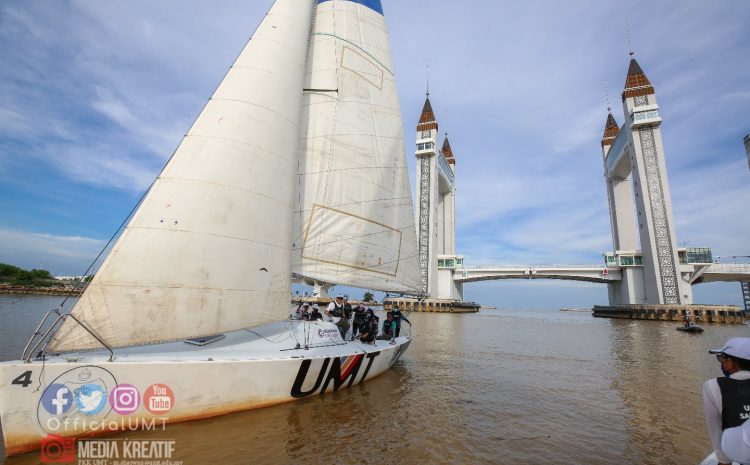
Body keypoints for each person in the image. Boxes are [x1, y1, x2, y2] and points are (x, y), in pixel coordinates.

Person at [702, 337, 750, 465]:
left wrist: (723, 461)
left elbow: (716, 431)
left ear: (730, 363)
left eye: (722, 358)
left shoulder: (714, 386)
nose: (721, 363)